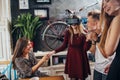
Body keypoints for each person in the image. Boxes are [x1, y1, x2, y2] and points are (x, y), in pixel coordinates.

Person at [48, 15, 92, 80]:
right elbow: (64, 46)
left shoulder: (84, 33)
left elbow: (85, 49)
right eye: (71, 24)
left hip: (81, 58)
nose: (73, 26)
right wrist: (54, 51)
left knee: (81, 77)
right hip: (72, 58)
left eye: (75, 24)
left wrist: (88, 40)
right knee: (73, 78)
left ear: (79, 23)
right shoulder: (68, 32)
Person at [86, 10, 115, 80]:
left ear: (96, 23)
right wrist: (93, 40)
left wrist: (97, 40)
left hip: (107, 70)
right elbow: (93, 51)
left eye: (88, 21)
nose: (86, 24)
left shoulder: (108, 33)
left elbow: (107, 54)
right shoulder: (95, 34)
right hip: (97, 69)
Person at [98, 0, 120, 80]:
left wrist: (108, 27)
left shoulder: (118, 18)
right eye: (103, 3)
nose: (104, 6)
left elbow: (108, 51)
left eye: (107, 1)